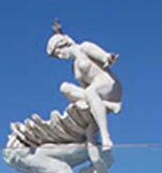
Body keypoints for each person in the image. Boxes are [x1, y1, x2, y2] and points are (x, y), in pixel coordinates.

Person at [46, 22, 122, 150]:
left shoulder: (84, 48)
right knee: (64, 87)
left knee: (90, 92)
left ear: (63, 44)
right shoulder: (74, 67)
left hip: (109, 85)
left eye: (58, 52)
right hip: (94, 93)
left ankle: (106, 137)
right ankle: (105, 105)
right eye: (56, 55)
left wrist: (109, 58)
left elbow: (104, 56)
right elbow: (84, 88)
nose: (60, 56)